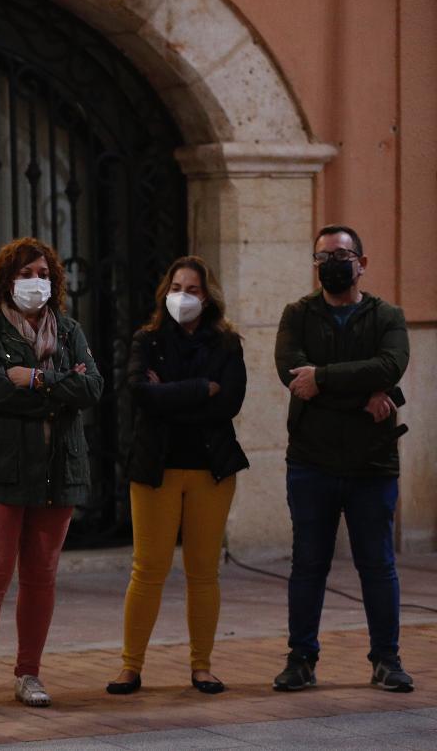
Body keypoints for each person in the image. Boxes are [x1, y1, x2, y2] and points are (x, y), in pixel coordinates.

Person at [0, 237, 103, 713]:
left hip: (58, 466)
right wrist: (63, 385)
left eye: (40, 273)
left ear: (53, 280)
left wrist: (36, 377)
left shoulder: (69, 330)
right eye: (22, 275)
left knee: (41, 576)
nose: (33, 282)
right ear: (6, 281)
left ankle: (28, 673)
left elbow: (93, 387)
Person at [273, 225, 413, 693]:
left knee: (377, 564)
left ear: (362, 263)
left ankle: (387, 659)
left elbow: (390, 366)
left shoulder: (386, 315)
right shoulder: (297, 314)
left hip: (372, 464)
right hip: (311, 461)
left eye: (341, 254)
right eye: (323, 257)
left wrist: (326, 379)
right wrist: (366, 395)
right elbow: (292, 377)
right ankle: (301, 658)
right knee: (308, 564)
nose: (332, 263)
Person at [106, 256, 248, 696]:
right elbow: (139, 393)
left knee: (203, 570)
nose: (182, 296)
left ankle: (202, 666)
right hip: (156, 467)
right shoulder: (147, 340)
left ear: (208, 297)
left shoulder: (227, 344)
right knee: (148, 568)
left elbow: (229, 403)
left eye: (192, 289)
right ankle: (130, 666)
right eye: (176, 286)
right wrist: (197, 389)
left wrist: (168, 393)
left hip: (212, 468)